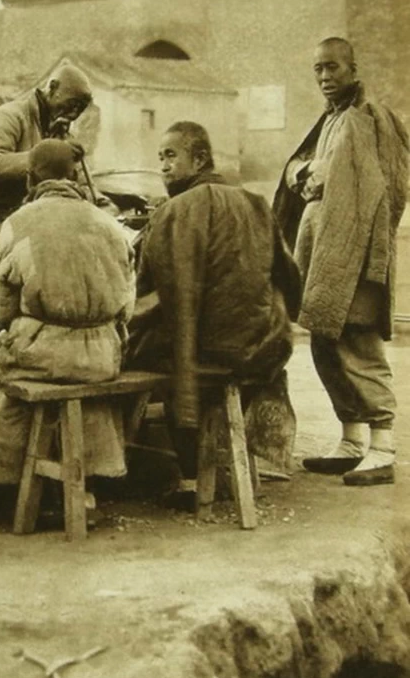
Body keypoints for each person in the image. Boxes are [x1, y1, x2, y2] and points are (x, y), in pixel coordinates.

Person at [0, 139, 136, 508]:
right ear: (73, 176)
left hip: (40, 352)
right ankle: (95, 475)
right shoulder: (108, 224)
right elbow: (126, 307)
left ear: (29, 178)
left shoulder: (17, 224)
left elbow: (1, 310)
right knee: (81, 390)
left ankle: (1, 481)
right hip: (101, 358)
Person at [129, 122, 302, 494]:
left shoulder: (174, 211)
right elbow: (291, 277)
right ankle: (214, 458)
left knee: (136, 348)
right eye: (160, 157)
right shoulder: (256, 203)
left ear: (201, 158)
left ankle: (184, 476)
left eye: (171, 155)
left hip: (205, 352)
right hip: (262, 351)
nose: (163, 166)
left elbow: (146, 295)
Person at [274, 37, 409, 486]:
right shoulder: (330, 120)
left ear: (353, 68)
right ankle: (351, 442)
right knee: (326, 341)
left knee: (359, 341)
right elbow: (299, 169)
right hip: (323, 246)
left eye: (333, 68)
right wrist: (306, 175)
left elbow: (378, 187)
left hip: (355, 248)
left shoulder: (372, 119)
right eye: (318, 70)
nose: (325, 77)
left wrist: (311, 176)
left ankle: (382, 448)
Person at [0, 64, 93, 255]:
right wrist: (48, 155)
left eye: (81, 108)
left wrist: (105, 203)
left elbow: (84, 184)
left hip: (43, 231)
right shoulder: (10, 115)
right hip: (0, 230)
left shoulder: (62, 133)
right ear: (52, 88)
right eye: (71, 104)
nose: (73, 114)